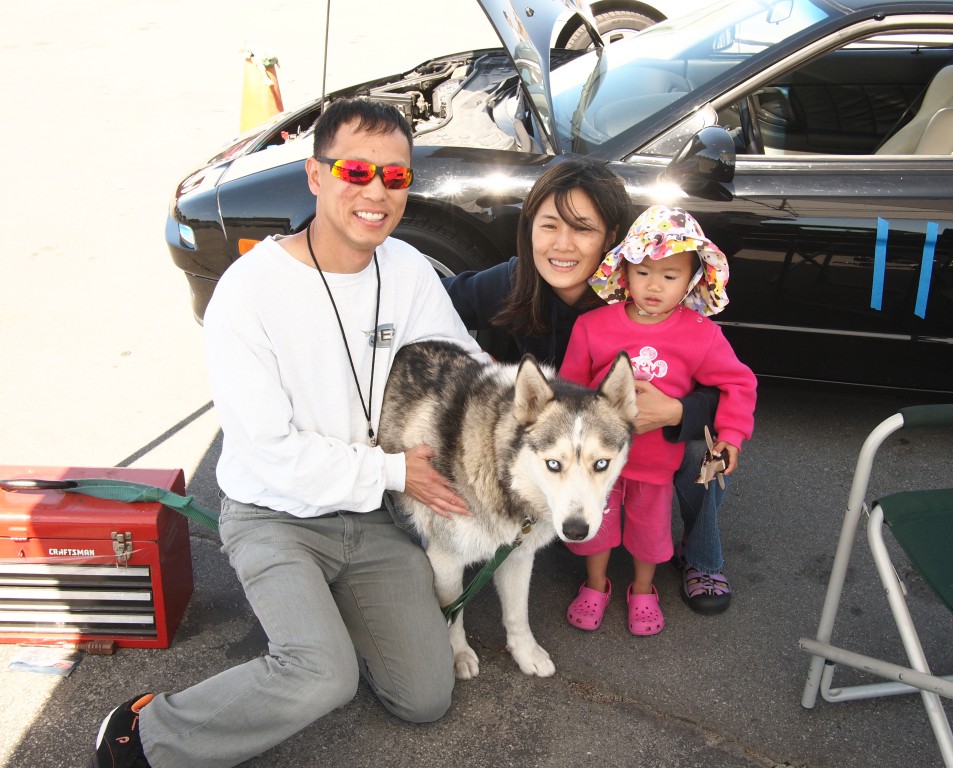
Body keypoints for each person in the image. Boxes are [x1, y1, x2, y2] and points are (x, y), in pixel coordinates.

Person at [90, 99, 484, 768]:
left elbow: (464, 369)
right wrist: (396, 471)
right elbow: (269, 453)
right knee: (320, 676)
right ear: (314, 176)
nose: (376, 192)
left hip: (374, 515)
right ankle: (149, 731)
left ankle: (333, 627)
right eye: (356, 170)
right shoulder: (247, 293)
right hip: (276, 514)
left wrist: (553, 420)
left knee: (425, 696)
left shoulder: (409, 269)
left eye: (395, 177)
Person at [443, 160, 736, 614]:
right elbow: (429, 303)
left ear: (611, 235)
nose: (562, 245)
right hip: (556, 449)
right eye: (548, 226)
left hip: (640, 435)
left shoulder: (643, 293)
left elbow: (728, 388)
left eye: (582, 229)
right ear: (528, 230)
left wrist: (678, 411)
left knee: (704, 446)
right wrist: (470, 358)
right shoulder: (510, 281)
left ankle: (702, 554)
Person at [559, 205, 757, 635]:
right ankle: (596, 584)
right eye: (644, 272)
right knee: (597, 526)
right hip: (598, 464)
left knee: (650, 532)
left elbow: (738, 384)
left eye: (670, 276)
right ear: (624, 272)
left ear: (691, 282)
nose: (655, 285)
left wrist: (733, 436)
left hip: (657, 462)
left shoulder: (701, 333)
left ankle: (643, 590)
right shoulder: (592, 327)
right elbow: (569, 389)